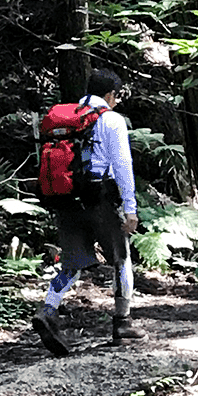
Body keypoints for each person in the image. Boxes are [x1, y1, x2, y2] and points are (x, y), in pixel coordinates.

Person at [34, 68, 142, 353]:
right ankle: (122, 322)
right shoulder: (111, 120)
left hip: (66, 199)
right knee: (120, 259)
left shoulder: (66, 118)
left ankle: (48, 310)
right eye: (117, 96)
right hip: (99, 199)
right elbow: (122, 166)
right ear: (110, 94)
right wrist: (130, 208)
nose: (117, 101)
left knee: (71, 264)